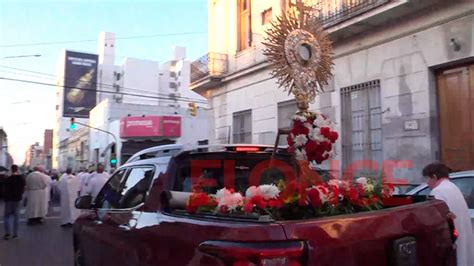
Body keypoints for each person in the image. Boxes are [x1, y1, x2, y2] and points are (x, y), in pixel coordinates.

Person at [422, 163, 473, 266]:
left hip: (451, 243)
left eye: (428, 178)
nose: (427, 183)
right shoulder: (453, 187)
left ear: (434, 177)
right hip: (460, 238)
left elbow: (435, 221)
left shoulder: (438, 192)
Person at [3, 165, 25, 240]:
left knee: (7, 217)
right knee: (16, 217)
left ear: (11, 170)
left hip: (9, 199)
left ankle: (7, 234)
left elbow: (4, 190)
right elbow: (23, 189)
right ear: (17, 170)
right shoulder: (21, 179)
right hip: (17, 199)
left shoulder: (7, 179)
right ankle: (15, 234)